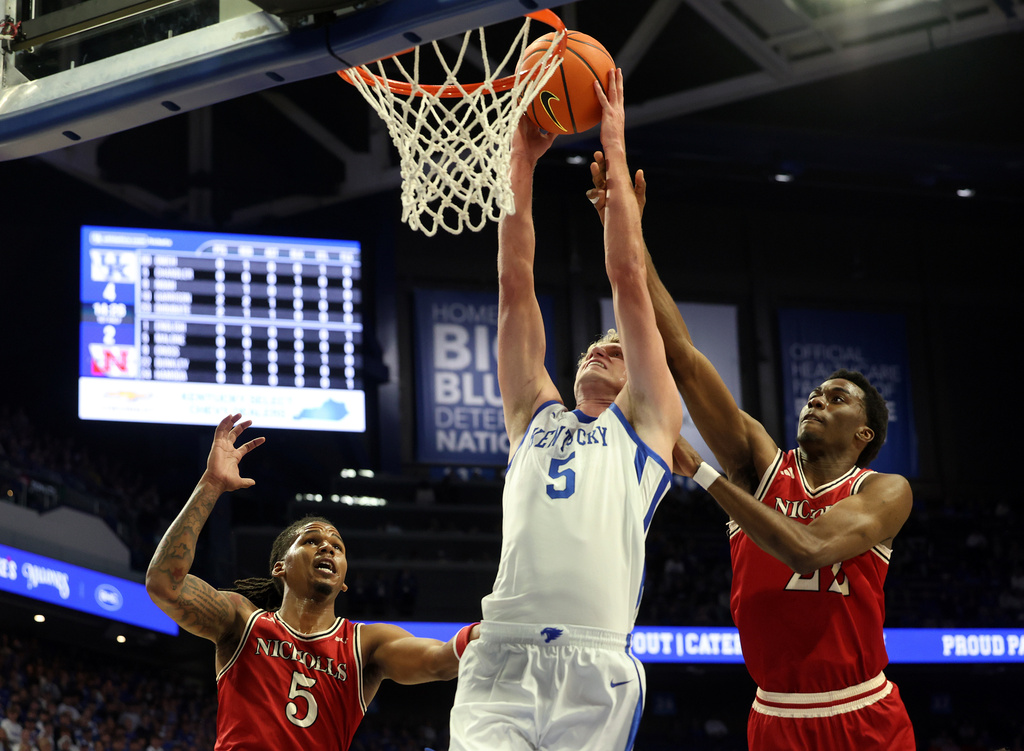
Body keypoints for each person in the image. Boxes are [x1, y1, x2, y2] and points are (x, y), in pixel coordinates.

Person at [586, 166, 915, 749]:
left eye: (835, 398)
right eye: (814, 394)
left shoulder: (884, 490)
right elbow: (683, 359)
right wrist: (628, 234)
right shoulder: (760, 465)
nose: (816, 400)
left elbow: (807, 548)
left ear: (865, 433)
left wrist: (704, 475)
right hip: (773, 715)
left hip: (862, 713)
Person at [448, 70, 682, 751]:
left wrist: (613, 154)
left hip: (595, 661)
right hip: (503, 654)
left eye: (614, 348)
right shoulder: (532, 414)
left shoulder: (647, 426)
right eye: (591, 348)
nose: (599, 351)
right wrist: (517, 161)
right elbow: (513, 283)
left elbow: (629, 285)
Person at [146, 414, 477, 750]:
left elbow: (439, 661)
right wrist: (212, 483)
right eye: (311, 540)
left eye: (337, 546)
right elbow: (165, 584)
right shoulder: (243, 622)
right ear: (280, 568)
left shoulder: (365, 644)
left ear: (343, 581)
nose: (327, 547)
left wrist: (483, 634)